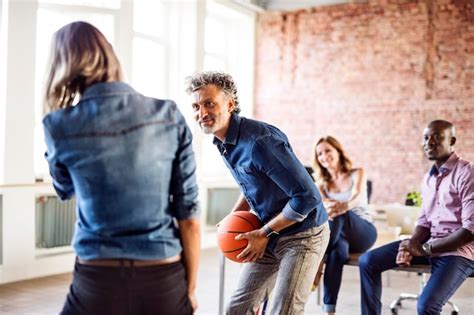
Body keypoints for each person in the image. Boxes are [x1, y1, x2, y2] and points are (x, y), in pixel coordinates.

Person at [43, 21, 201, 315]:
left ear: (63, 66)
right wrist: (188, 290)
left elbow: (64, 190)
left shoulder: (58, 125)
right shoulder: (167, 115)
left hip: (97, 280)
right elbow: (189, 217)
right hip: (163, 278)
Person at [185, 71, 329, 315]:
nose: (202, 113)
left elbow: (308, 197)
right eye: (196, 106)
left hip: (303, 236)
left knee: (283, 310)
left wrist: (264, 232)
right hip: (268, 233)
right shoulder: (224, 142)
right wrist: (231, 219)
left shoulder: (260, 141)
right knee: (236, 309)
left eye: (209, 103)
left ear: (230, 104)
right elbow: (250, 186)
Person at [359, 120, 474, 315]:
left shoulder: (467, 173)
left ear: (452, 140)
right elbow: (424, 222)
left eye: (437, 136)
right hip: (429, 246)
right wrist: (410, 246)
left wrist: (423, 248)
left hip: (457, 253)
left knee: (427, 306)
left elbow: (469, 231)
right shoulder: (429, 178)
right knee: (368, 261)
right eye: (426, 137)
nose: (429, 142)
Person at [312, 136, 377, 314]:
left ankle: (317, 262)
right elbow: (323, 208)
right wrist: (331, 207)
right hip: (338, 235)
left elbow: (357, 196)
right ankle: (329, 310)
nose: (324, 156)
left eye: (328, 151)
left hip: (363, 230)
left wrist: (343, 206)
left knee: (341, 215)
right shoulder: (320, 184)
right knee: (337, 253)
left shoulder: (357, 173)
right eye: (319, 154)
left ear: (338, 152)